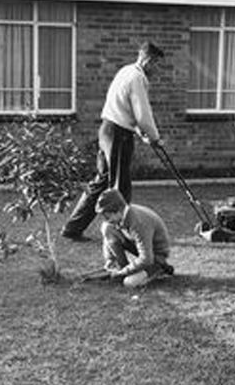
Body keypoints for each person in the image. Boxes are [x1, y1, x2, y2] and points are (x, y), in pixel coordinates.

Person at [62, 41, 165, 241]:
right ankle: (124, 234)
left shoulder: (125, 71)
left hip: (107, 130)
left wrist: (140, 132)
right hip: (118, 135)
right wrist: (155, 138)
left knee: (101, 184)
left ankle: (72, 228)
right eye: (156, 65)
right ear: (147, 60)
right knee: (120, 187)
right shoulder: (137, 77)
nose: (157, 70)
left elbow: (124, 108)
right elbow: (143, 114)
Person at [94, 188, 174, 288]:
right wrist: (110, 260)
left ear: (117, 211)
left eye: (107, 217)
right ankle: (119, 265)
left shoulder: (138, 222)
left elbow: (146, 259)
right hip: (139, 247)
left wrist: (123, 272)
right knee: (107, 227)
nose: (107, 220)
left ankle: (160, 268)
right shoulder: (121, 216)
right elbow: (109, 236)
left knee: (129, 282)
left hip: (155, 256)